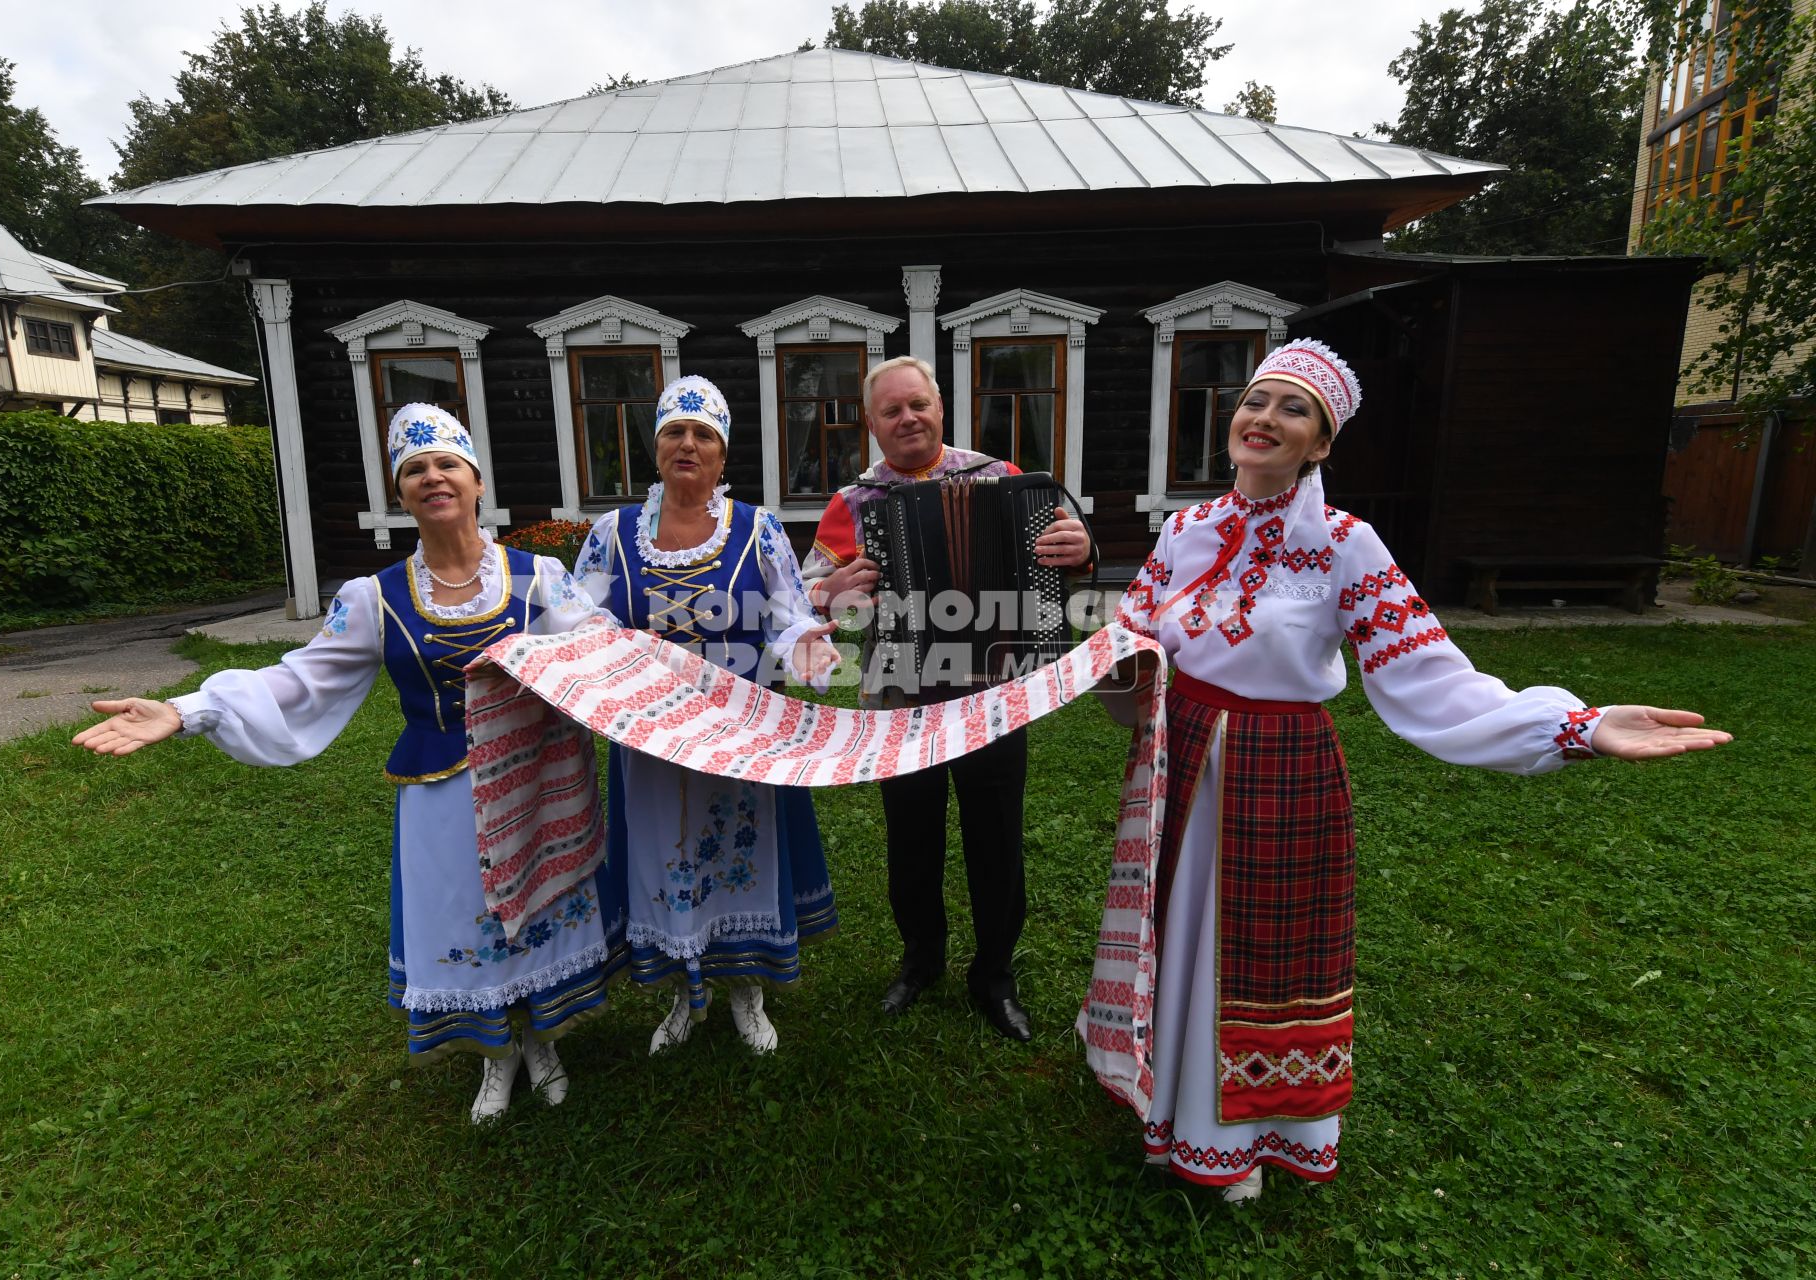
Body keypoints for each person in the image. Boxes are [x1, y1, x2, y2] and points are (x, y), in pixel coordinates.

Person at [1096, 338, 1729, 1202]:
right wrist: (1118, 665)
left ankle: (1245, 1137)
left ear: (1320, 443)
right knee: (1180, 929)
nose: (1264, 419)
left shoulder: (1348, 545)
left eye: (1293, 410)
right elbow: (1134, 639)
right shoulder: (1184, 531)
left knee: (1263, 955)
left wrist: (1573, 725)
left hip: (1281, 772)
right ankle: (1169, 1103)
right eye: (1255, 401)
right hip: (1180, 756)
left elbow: (1431, 674)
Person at [72, 404, 628, 1125]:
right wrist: (188, 709)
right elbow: (300, 678)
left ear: (476, 480)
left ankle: (541, 1040)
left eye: (446, 464)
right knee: (467, 918)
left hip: (535, 781)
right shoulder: (375, 598)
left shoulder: (536, 577)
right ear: (401, 495)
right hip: (444, 794)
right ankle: (497, 1055)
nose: (433, 477)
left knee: (536, 910)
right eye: (414, 470)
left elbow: (604, 649)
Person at [801, 355, 1092, 1041]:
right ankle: (921, 959)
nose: (908, 419)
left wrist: (1082, 551)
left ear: (939, 406)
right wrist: (829, 593)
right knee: (912, 835)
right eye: (891, 410)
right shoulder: (854, 502)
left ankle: (995, 974)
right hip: (903, 695)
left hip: (995, 691)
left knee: (997, 836)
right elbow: (809, 591)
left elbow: (1066, 559)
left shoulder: (1003, 480)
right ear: (871, 425)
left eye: (918, 405)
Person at [573, 374, 842, 1056]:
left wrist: (806, 645)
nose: (687, 445)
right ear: (655, 447)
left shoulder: (758, 530)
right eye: (674, 432)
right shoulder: (613, 535)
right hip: (651, 738)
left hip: (742, 736)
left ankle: (746, 992)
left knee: (738, 856)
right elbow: (579, 627)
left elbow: (788, 616)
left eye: (703, 436)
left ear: (723, 457)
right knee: (668, 860)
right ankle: (679, 993)